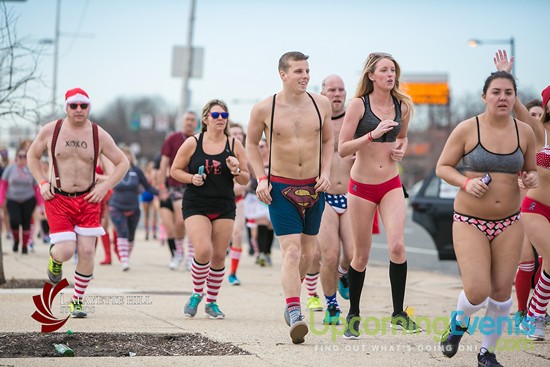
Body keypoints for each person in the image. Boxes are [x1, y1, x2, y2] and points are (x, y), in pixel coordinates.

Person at [436, 70, 538, 366]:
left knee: (501, 292)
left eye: (508, 92)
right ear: (485, 97)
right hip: (470, 220)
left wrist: (530, 179)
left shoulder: (524, 132)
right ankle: (458, 324)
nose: (502, 97)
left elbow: (529, 171)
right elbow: (443, 167)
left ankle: (487, 353)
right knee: (478, 290)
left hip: (510, 221)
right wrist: (466, 183)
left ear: (514, 97)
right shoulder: (468, 129)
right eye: (496, 92)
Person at [246, 51, 333, 344]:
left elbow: (329, 139)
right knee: (292, 252)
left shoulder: (321, 104)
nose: (305, 76)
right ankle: (294, 310)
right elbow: (250, 143)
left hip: (314, 187)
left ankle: (290, 297)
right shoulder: (264, 109)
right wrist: (260, 178)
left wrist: (325, 171)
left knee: (310, 256)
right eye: (298, 71)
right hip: (281, 188)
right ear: (283, 75)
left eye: (307, 70)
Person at [26, 88, 129, 318]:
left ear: (89, 107)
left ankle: (77, 301)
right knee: (65, 250)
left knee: (86, 251)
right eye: (74, 105)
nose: (79, 110)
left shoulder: (98, 134)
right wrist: (42, 182)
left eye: (84, 105)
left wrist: (105, 187)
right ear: (67, 107)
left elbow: (122, 163)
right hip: (58, 198)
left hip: (88, 198)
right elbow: (32, 155)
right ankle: (54, 259)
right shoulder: (51, 130)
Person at [338, 52, 419, 338]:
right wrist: (372, 135)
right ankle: (354, 315)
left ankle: (398, 313)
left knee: (397, 246)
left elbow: (404, 136)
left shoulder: (403, 105)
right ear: (371, 75)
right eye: (384, 70)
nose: (390, 74)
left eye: (393, 70)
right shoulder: (359, 105)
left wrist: (401, 148)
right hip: (361, 187)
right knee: (360, 256)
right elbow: (343, 148)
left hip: (391, 184)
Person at [171, 99, 249, 319]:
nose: (220, 119)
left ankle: (211, 303)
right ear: (206, 119)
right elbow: (174, 170)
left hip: (224, 204)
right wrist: (191, 178)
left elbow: (245, 178)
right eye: (216, 116)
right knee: (203, 250)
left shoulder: (234, 144)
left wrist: (236, 171)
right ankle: (197, 294)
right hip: (197, 203)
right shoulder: (193, 143)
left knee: (217, 257)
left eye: (224, 116)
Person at [495, 50, 550, 340]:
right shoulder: (540, 132)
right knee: (540, 260)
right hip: (535, 206)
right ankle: (531, 316)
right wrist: (506, 75)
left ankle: (534, 314)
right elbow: (517, 108)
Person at [309, 74, 355, 325]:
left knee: (353, 253)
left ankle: (342, 275)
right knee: (329, 253)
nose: (337, 94)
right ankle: (332, 305)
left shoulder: (355, 121)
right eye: (332, 90)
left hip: (351, 194)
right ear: (322, 93)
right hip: (323, 196)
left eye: (341, 89)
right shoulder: (316, 122)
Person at [513, 98, 545, 324]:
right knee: (527, 263)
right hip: (523, 209)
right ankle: (522, 311)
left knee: (545, 261)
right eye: (531, 114)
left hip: (546, 208)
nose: (534, 118)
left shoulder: (544, 139)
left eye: (538, 114)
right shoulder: (518, 140)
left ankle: (539, 310)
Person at [157, 111, 199, 270]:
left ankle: (192, 257)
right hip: (176, 185)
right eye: (187, 119)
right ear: (182, 122)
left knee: (193, 223)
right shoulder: (173, 139)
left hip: (196, 185)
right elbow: (163, 164)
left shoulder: (199, 139)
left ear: (197, 123)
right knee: (180, 221)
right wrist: (161, 186)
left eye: (192, 120)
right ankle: (179, 252)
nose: (189, 122)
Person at [109, 146, 158, 271]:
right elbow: (106, 182)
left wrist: (160, 193)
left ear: (132, 157)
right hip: (116, 207)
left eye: (128, 154)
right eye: (122, 154)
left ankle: (126, 256)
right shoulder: (114, 170)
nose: (126, 157)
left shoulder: (137, 171)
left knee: (130, 236)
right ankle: (124, 260)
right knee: (122, 232)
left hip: (133, 208)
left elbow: (147, 186)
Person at [0, 148, 41, 254]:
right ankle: (16, 241)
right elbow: (3, 184)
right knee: (14, 221)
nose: (22, 158)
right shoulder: (10, 169)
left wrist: (41, 203)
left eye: (25, 156)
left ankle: (24, 246)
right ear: (16, 157)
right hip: (13, 199)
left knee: (26, 222)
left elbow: (36, 186)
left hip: (28, 199)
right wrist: (1, 199)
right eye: (20, 156)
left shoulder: (30, 169)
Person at [228, 122, 247, 285]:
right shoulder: (219, 152)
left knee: (237, 233)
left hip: (238, 200)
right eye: (234, 133)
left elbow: (247, 182)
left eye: (240, 134)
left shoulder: (245, 155)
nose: (237, 136)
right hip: (219, 200)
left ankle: (233, 272)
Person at [141, 160, 159, 241]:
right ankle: (147, 232)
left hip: (153, 194)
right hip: (146, 195)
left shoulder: (155, 174)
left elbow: (155, 184)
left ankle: (154, 232)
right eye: (150, 166)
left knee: (155, 214)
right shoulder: (145, 175)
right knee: (146, 215)